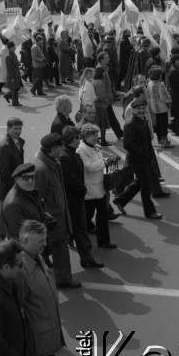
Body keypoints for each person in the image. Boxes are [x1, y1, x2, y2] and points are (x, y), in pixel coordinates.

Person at [17, 220, 67, 356]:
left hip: (45, 335)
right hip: (37, 341)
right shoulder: (21, 270)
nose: (45, 245)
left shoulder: (37, 257)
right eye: (40, 242)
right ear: (24, 242)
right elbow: (17, 309)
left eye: (45, 240)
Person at [34, 133, 81, 288]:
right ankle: (63, 279)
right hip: (53, 218)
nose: (63, 149)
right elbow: (37, 197)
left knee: (51, 248)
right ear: (53, 149)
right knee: (58, 248)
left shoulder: (51, 162)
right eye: (61, 147)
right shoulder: (42, 169)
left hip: (57, 214)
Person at [59, 126, 104, 267]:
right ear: (71, 140)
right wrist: (83, 188)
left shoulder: (70, 152)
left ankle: (75, 244)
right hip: (74, 198)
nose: (80, 140)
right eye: (77, 138)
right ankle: (87, 257)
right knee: (80, 228)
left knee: (77, 227)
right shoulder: (66, 156)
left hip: (76, 197)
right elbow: (70, 179)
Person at [113, 99, 163, 219]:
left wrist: (148, 153)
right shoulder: (130, 123)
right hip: (138, 159)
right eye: (138, 109)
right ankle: (150, 212)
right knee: (146, 186)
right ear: (133, 110)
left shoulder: (141, 120)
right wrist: (141, 152)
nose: (141, 111)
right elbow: (127, 144)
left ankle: (120, 200)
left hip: (144, 157)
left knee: (140, 182)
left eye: (143, 108)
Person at [77, 123, 119, 247]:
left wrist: (108, 160)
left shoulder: (95, 146)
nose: (96, 137)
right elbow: (89, 168)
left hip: (99, 187)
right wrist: (104, 162)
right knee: (86, 216)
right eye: (92, 135)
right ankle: (75, 237)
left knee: (102, 216)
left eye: (96, 134)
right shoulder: (81, 150)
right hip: (89, 189)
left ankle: (104, 241)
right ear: (84, 136)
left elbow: (98, 162)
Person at [0, 118, 25, 242]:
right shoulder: (6, 146)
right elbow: (1, 171)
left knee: (11, 215)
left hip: (14, 186)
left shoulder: (18, 142)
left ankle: (10, 238)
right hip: (7, 187)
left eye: (20, 129)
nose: (18, 131)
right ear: (8, 129)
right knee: (3, 217)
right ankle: (0, 242)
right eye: (15, 129)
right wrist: (15, 183)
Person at [1, 163, 46, 240]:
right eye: (26, 178)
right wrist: (44, 227)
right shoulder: (13, 205)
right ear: (16, 179)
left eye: (33, 177)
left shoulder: (29, 192)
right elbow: (21, 235)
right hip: (26, 249)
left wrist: (45, 218)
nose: (30, 181)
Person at [146, 66, 174, 148]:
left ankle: (160, 139)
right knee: (164, 125)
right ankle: (165, 141)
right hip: (161, 108)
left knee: (157, 124)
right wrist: (169, 100)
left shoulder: (149, 83)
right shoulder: (160, 84)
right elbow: (163, 97)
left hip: (153, 107)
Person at [3, 42, 23, 106]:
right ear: (10, 48)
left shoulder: (14, 54)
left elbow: (16, 62)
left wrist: (18, 63)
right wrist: (11, 77)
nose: (15, 48)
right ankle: (15, 102)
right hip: (13, 75)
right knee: (14, 89)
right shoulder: (8, 57)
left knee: (17, 88)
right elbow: (9, 69)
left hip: (16, 74)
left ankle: (8, 95)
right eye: (14, 47)